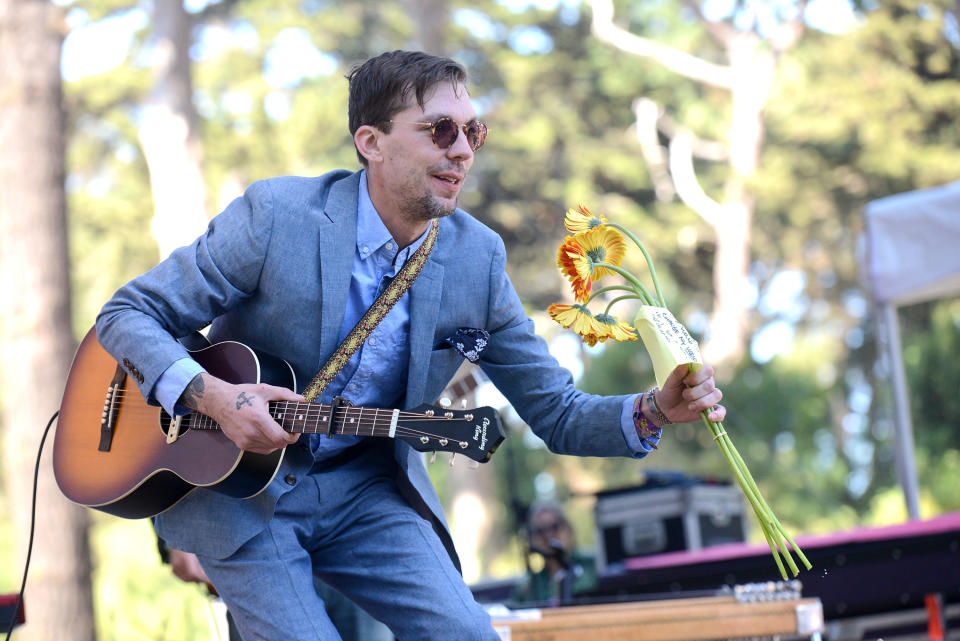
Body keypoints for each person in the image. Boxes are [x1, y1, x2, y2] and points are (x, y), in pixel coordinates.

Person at [96, 49, 726, 641]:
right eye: (439, 130)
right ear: (369, 142)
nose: (462, 152)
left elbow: (556, 413)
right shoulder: (276, 217)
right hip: (240, 497)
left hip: (367, 492)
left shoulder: (477, 260)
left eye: (472, 133)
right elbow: (128, 314)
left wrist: (652, 411)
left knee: (469, 633)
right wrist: (213, 397)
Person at [511, 503, 597, 606]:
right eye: (540, 530)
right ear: (532, 539)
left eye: (555, 526)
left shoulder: (592, 566)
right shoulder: (529, 585)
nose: (548, 535)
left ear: (568, 529)